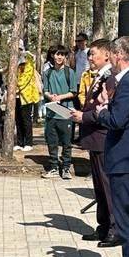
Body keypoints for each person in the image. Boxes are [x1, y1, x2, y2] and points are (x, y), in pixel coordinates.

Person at [71, 36, 129, 257]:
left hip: (124, 158)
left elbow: (117, 120)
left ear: (118, 55)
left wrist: (101, 110)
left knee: (128, 218)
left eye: (112, 55)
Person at [78, 39, 119, 246]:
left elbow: (105, 109)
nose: (90, 57)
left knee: (107, 185)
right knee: (99, 186)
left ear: (106, 55)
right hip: (94, 137)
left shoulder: (110, 78)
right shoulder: (98, 76)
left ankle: (114, 228)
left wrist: (84, 117)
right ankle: (103, 226)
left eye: (93, 53)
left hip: (103, 137)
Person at [41, 45, 77, 178]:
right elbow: (45, 91)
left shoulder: (70, 72)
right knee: (52, 142)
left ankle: (66, 168)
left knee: (67, 142)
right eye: (57, 54)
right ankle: (54, 168)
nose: (59, 57)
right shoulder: (47, 73)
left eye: (62, 54)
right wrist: (50, 96)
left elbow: (73, 92)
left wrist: (60, 97)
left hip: (66, 111)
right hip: (52, 111)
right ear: (52, 55)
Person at [15, 52, 41, 151]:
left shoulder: (29, 67)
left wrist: (14, 87)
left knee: (26, 119)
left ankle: (28, 143)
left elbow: (23, 81)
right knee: (18, 120)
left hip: (27, 97)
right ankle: (19, 142)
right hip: (16, 97)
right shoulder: (16, 67)